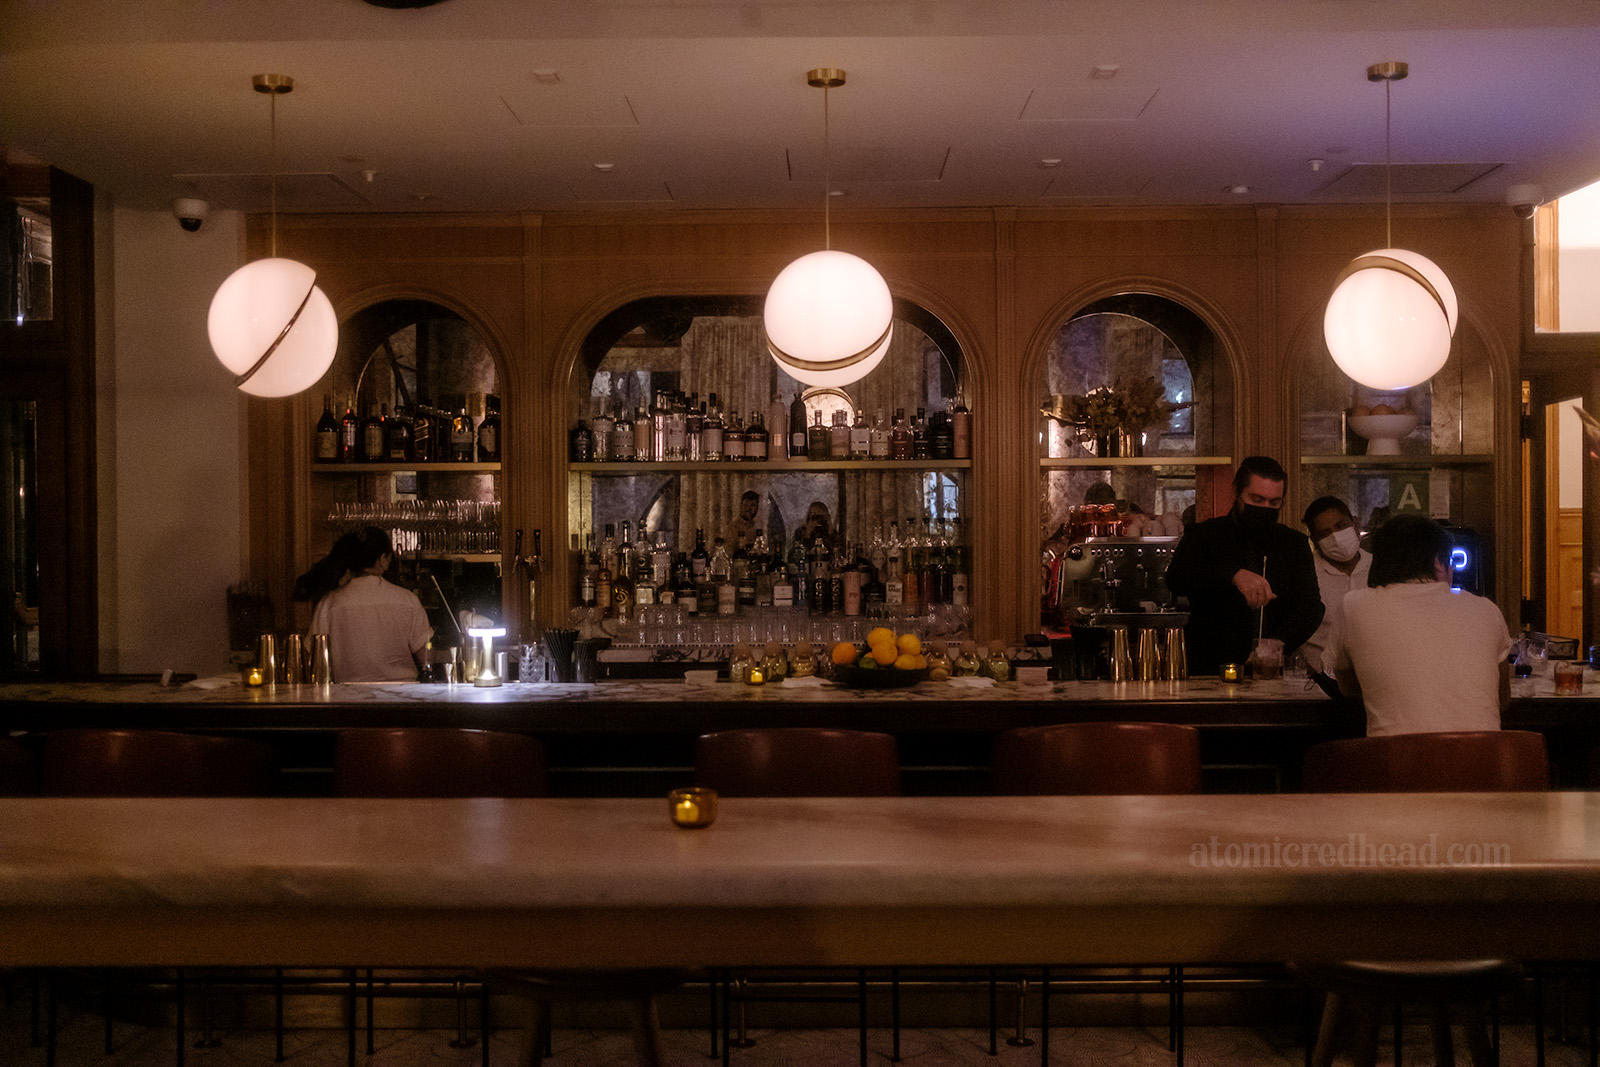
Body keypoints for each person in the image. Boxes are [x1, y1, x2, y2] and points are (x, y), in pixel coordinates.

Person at [1328, 514, 1512, 736]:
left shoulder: (1354, 606)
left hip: (1396, 764)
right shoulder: (1487, 610)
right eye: (1450, 562)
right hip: (1484, 764)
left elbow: (1348, 689)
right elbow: (1502, 700)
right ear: (1437, 561)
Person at [1163, 456, 1324, 675]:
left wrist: (1280, 641)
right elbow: (1176, 578)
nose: (1265, 508)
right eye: (1256, 500)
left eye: (1274, 502)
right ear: (1237, 492)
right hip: (1208, 668)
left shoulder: (1294, 543)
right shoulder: (1204, 534)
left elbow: (1312, 607)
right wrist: (1232, 575)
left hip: (1271, 669)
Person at [299, 527, 434, 683]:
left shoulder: (330, 602)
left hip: (347, 700)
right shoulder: (407, 600)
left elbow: (312, 656)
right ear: (383, 559)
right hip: (402, 697)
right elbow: (426, 655)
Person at [1298, 495, 1372, 677]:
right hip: (1319, 682)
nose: (1336, 538)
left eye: (1340, 526)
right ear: (1315, 540)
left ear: (1355, 524)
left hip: (1374, 679)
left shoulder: (1381, 568)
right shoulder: (1306, 576)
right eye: (1325, 533)